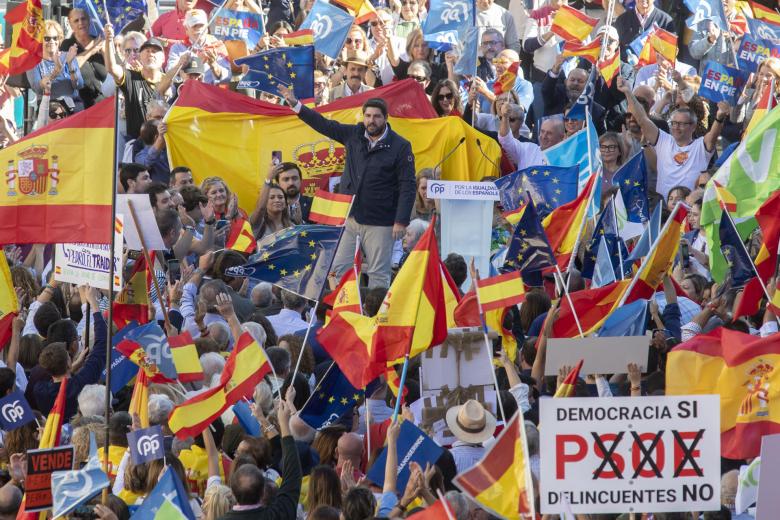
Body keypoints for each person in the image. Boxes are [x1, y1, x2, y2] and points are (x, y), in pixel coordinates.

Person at [278, 88, 415, 289]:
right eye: (368, 116)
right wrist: (296, 104)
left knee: (378, 274)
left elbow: (408, 185)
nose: (371, 121)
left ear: (386, 118)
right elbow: (324, 125)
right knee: (337, 270)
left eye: (377, 117)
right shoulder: (354, 134)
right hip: (350, 218)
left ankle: (375, 318)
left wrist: (401, 221)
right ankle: (344, 315)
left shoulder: (400, 146)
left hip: (381, 222)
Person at [617, 76, 729, 198]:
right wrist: (628, 92)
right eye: (674, 123)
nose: (676, 127)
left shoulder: (701, 146)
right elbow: (642, 119)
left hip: (688, 209)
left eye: (681, 124)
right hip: (663, 209)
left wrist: (719, 117)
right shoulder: (663, 140)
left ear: (693, 126)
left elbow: (713, 136)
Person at [104, 26, 167, 140]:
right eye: (147, 51)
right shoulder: (130, 77)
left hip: (165, 144)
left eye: (154, 51)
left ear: (163, 58)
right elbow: (111, 69)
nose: (151, 54)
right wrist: (108, 41)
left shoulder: (168, 81)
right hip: (137, 144)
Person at [27, 20, 84, 112]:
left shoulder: (68, 56)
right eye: (47, 38)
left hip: (72, 104)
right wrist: (55, 73)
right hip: (48, 106)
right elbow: (38, 88)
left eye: (55, 38)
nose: (52, 41)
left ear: (60, 39)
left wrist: (70, 65)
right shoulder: (33, 61)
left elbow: (79, 85)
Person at [60, 9, 107, 108]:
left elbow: (116, 68)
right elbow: (69, 67)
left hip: (106, 104)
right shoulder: (67, 44)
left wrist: (105, 52)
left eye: (83, 19)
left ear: (89, 20)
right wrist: (91, 51)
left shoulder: (100, 41)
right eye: (76, 21)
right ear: (70, 24)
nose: (81, 23)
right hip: (82, 106)